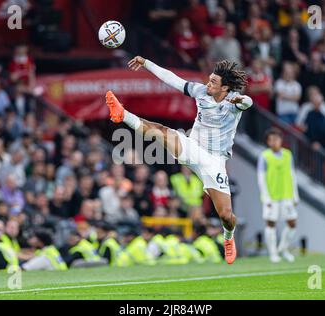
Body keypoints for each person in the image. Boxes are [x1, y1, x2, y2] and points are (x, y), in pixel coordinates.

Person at [106, 56, 253, 265]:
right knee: (163, 133)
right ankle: (123, 114)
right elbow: (171, 79)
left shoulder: (233, 101)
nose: (208, 84)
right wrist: (147, 63)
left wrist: (242, 100)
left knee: (227, 216)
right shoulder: (201, 91)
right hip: (193, 148)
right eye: (209, 79)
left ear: (225, 88)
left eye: (213, 82)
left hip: (215, 161)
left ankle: (228, 238)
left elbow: (249, 102)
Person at [257, 128, 299, 263]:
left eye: (277, 139)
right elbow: (261, 178)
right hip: (272, 196)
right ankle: (273, 253)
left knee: (292, 222)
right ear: (268, 142)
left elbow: (293, 175)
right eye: (272, 139)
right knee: (271, 223)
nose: (275, 142)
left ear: (281, 140)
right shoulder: (265, 156)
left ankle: (283, 249)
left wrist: (295, 194)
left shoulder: (288, 155)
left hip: (286, 195)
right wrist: (265, 196)